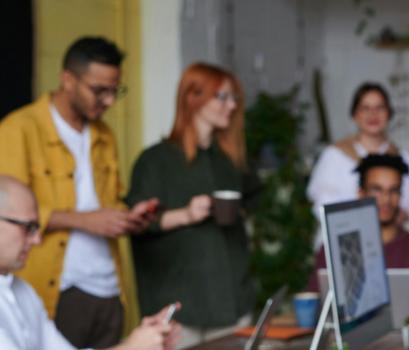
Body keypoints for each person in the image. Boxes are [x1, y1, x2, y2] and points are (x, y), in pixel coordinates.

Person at [0, 36, 160, 348]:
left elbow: (109, 201)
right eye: (99, 90)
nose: (109, 101)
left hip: (109, 286)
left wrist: (128, 218)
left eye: (115, 91)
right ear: (68, 80)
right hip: (59, 287)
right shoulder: (18, 130)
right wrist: (85, 221)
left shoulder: (105, 134)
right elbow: (10, 207)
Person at [125, 63, 255, 348]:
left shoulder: (230, 160)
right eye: (222, 97)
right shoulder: (155, 160)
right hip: (181, 307)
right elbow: (136, 223)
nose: (232, 105)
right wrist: (185, 214)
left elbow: (252, 202)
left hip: (233, 301)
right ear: (193, 98)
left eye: (234, 98)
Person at [0, 175, 181, 350]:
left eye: (36, 228)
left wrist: (145, 342)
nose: (37, 239)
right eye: (28, 228)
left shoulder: (24, 293)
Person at [308, 154, 409, 319]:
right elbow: (314, 312)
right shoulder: (332, 250)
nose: (386, 199)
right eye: (377, 190)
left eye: (393, 190)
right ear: (361, 194)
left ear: (400, 195)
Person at [307, 82, 409, 239]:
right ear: (354, 115)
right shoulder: (334, 155)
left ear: (389, 113)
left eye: (380, 108)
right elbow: (323, 203)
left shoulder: (402, 159)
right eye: (365, 108)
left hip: (387, 241)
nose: (373, 114)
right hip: (342, 238)